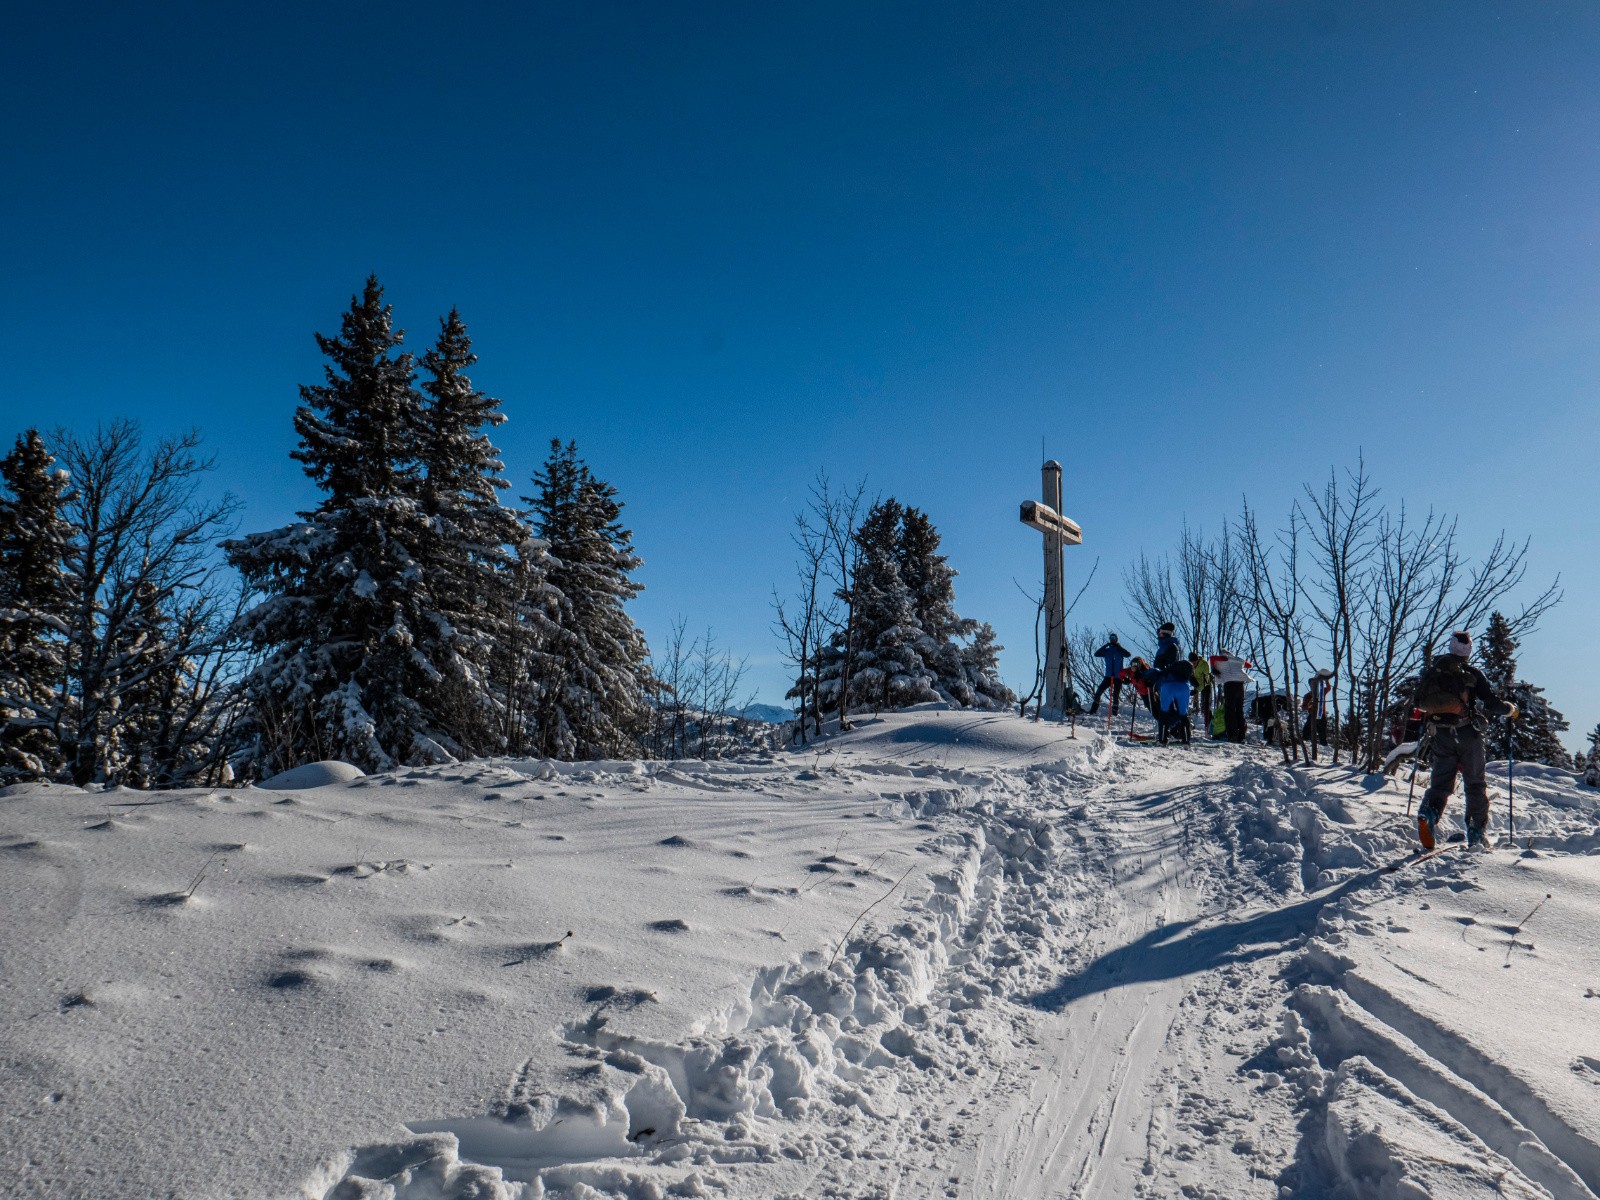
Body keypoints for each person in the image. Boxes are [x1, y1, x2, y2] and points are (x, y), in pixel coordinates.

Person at [1415, 630, 1516, 850]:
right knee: (1475, 784)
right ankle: (1476, 832)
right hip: (1467, 733)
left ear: (1451, 646)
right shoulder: (1471, 673)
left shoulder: (1434, 671)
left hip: (1440, 733)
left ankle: (1428, 814)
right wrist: (1508, 709)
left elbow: (1418, 701)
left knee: (1440, 783)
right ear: (1469, 649)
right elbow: (1490, 702)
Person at [1211, 650, 1252, 743]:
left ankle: (1232, 735)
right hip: (1240, 686)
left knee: (1230, 711)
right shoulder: (1237, 659)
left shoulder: (1221, 659)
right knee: (1239, 710)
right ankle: (1242, 735)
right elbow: (1249, 665)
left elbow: (1212, 658)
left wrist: (1214, 667)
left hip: (1229, 685)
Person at [1090, 634, 1132, 715]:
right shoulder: (1107, 651)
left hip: (1118, 677)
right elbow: (1096, 654)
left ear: (1116, 639)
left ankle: (1114, 712)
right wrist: (1105, 646)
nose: (1112, 639)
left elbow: (1128, 654)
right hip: (1108, 676)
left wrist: (1119, 647)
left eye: (1114, 638)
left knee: (1115, 695)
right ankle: (1093, 710)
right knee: (1098, 692)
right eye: (1111, 638)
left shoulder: (1120, 651)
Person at [1302, 668, 1334, 752]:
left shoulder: (1321, 692)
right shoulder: (1307, 696)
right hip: (1312, 714)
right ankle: (1304, 742)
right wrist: (1310, 705)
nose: (1313, 686)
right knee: (1307, 729)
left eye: (1315, 684)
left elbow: (1328, 687)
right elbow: (1304, 707)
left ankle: (1324, 745)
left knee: (1322, 730)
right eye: (1312, 684)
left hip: (1321, 714)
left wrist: (1326, 680)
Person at [1189, 652, 1213, 726]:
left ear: (1197, 660)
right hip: (1197, 684)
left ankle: (1210, 724)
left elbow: (1206, 681)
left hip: (1206, 685)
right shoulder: (1190, 665)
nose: (1193, 664)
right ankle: (1210, 722)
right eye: (1192, 662)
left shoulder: (1204, 664)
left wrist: (1197, 690)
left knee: (1205, 706)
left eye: (1194, 662)